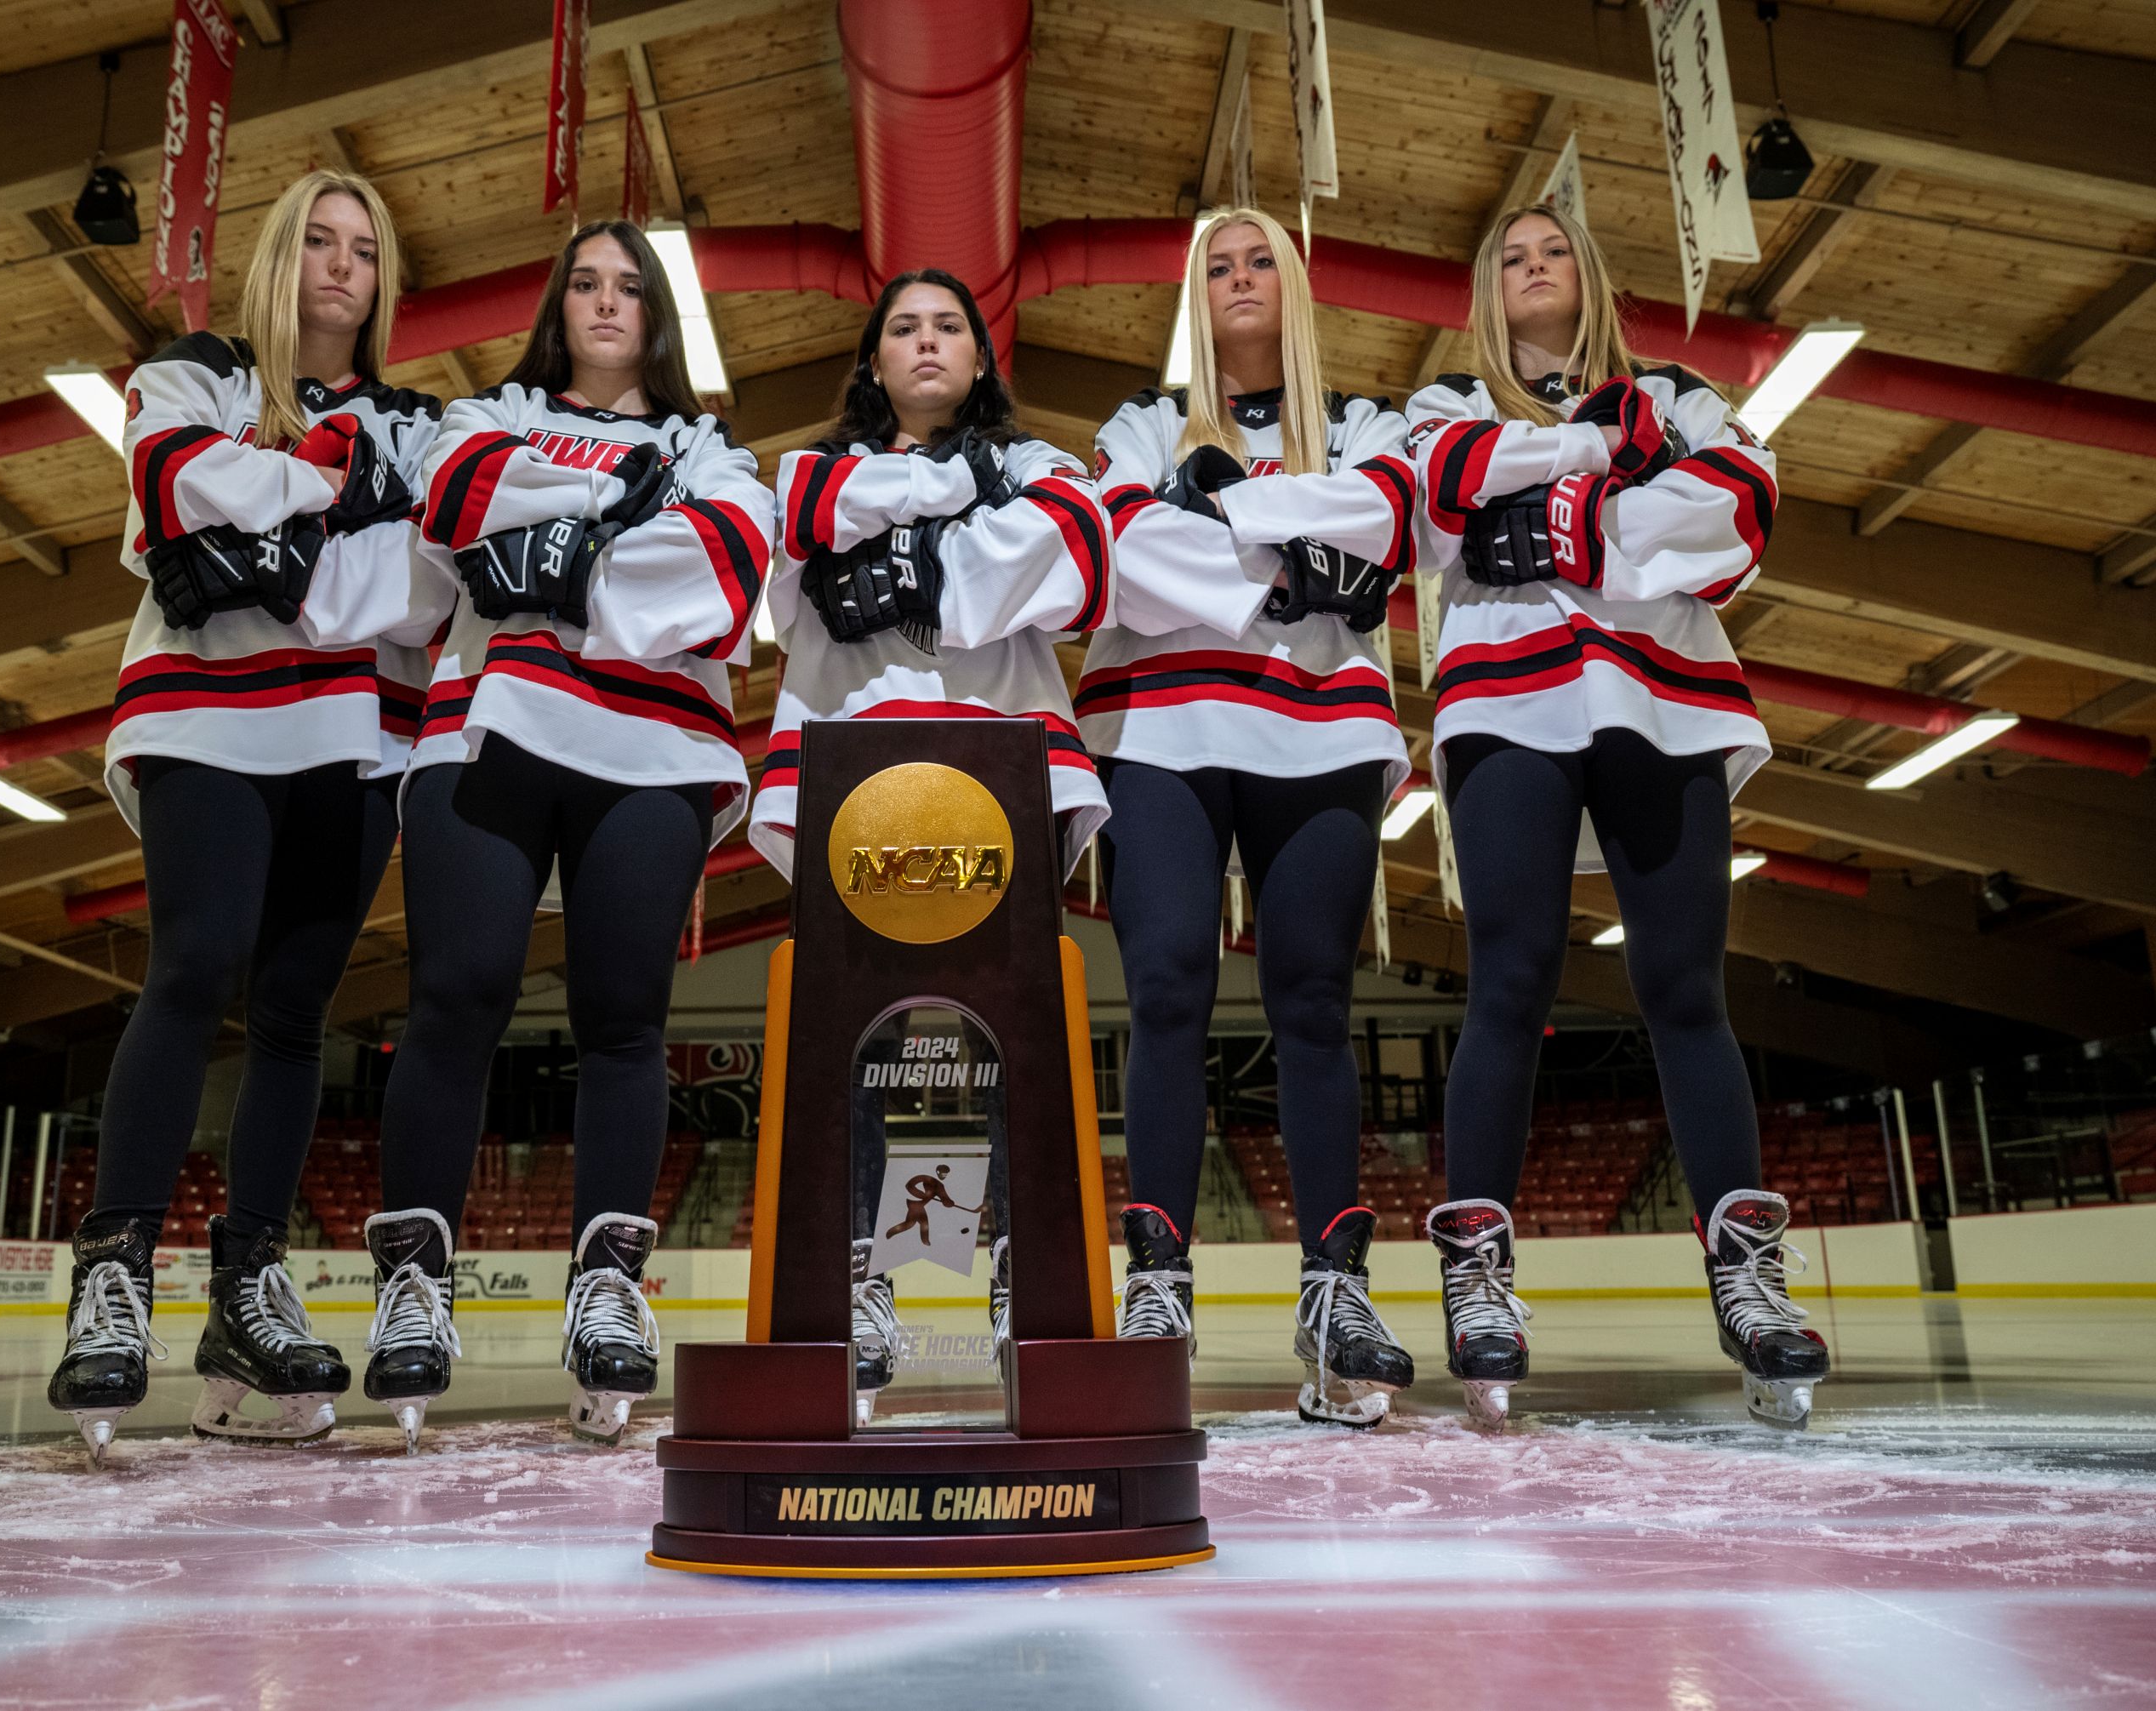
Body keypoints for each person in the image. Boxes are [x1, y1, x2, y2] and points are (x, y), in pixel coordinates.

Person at [47, 169, 445, 1464]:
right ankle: (111, 1282)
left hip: (354, 734)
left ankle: (245, 1301)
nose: (342, 266)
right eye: (319, 242)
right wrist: (335, 501)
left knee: (293, 1011)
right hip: (201, 712)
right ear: (281, 256)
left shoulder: (415, 422)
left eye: (364, 249)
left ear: (385, 277)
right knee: (194, 964)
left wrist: (271, 520)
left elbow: (421, 579)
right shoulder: (194, 373)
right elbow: (169, 481)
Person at [1406, 202, 1823, 1429]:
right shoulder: (1445, 405)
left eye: (1552, 251)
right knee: (1510, 981)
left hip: (1670, 703)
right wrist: (1620, 479)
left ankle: (1747, 1285)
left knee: (1686, 987)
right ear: (1488, 293)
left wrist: (1571, 522)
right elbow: (1439, 502)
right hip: (1503, 708)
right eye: (1509, 255)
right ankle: (1479, 1285)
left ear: (1590, 276)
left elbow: (1741, 506)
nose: (1534, 266)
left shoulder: (1679, 393)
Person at [366, 220, 773, 1447]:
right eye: (586, 283)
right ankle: (413, 1290)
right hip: (487, 732)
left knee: (624, 1018)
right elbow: (458, 504)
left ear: (660, 313)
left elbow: (725, 566)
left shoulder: (716, 452)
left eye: (630, 287)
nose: (607, 303)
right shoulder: (478, 416)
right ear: (559, 304)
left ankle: (609, 1288)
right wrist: (622, 516)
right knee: (457, 995)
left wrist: (552, 552)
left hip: (655, 754)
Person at [1085, 207, 1419, 1429]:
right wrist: (1299, 557)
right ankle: (1159, 1282)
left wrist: (1216, 530)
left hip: (1323, 730)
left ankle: (1334, 1292)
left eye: (1257, 262)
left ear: (1296, 285)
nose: (1236, 280)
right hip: (1160, 727)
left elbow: (1385, 524)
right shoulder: (1138, 425)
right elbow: (1117, 548)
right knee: (1168, 985)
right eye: (1215, 267)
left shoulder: (1370, 425)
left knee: (1315, 1002)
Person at [761, 269, 1112, 1421]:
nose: (926, 342)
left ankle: (1016, 1271)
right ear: (870, 359)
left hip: (1004, 761)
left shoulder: (1043, 468)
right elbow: (798, 558)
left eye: (948, 326)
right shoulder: (809, 470)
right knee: (859, 1043)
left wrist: (904, 562)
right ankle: (866, 1281)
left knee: (1001, 1038)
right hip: (853, 759)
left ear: (980, 357)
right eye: (903, 326)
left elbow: (1074, 560)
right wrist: (963, 525)